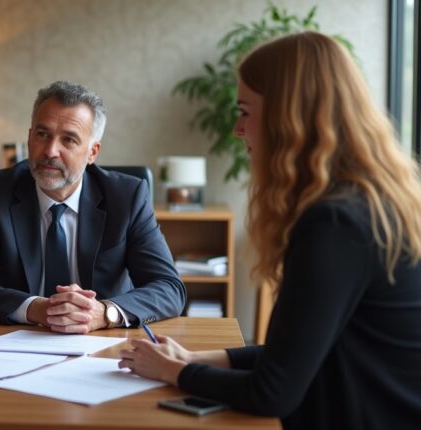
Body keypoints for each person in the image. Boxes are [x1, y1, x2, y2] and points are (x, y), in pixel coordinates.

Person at [119, 32, 421, 429]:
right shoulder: (369, 203)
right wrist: (195, 359)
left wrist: (171, 372)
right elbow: (296, 351)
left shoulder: (335, 224)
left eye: (244, 111)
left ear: (287, 115)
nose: (237, 130)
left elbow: (271, 392)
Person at [0, 80, 185, 334]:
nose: (50, 151)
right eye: (42, 134)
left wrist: (105, 313)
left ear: (92, 152)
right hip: (21, 342)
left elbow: (169, 288)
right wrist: (37, 308)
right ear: (29, 136)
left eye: (68, 140)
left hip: (106, 342)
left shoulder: (126, 197)